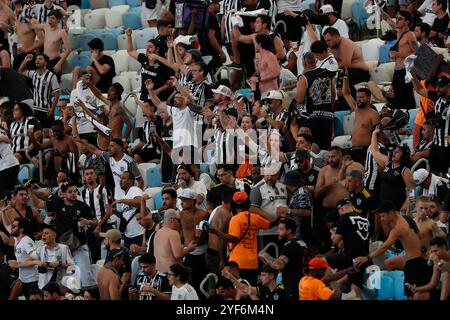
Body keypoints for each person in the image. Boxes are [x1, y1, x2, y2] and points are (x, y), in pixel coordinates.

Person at [355, 200, 433, 299]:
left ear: (391, 213)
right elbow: (419, 236)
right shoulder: (407, 218)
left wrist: (367, 258)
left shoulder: (398, 228)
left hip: (413, 263)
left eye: (383, 216)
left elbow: (384, 246)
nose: (382, 219)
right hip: (418, 259)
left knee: (410, 294)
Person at [327, 198, 370, 297]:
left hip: (349, 256)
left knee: (321, 262)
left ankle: (335, 290)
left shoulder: (344, 217)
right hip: (362, 259)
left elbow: (336, 240)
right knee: (355, 289)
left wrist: (332, 241)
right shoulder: (365, 219)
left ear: (341, 209)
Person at [75, 138, 143, 199]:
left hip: (129, 197)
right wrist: (81, 141)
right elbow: (95, 150)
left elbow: (140, 181)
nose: (109, 148)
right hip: (117, 197)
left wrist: (137, 196)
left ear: (119, 148)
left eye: (112, 146)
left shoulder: (129, 161)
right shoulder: (109, 158)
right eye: (109, 146)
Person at [258, 218, 309, 300]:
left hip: (293, 289)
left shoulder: (289, 246)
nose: (278, 231)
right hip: (303, 286)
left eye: (281, 229)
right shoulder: (301, 243)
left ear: (289, 231)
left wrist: (265, 255)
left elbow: (279, 265)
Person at [228, 191, 271, 285]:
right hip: (253, 263)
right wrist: (279, 216)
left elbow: (233, 238)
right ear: (248, 202)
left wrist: (216, 232)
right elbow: (269, 225)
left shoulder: (235, 219)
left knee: (240, 292)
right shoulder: (256, 218)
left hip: (237, 263)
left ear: (233, 204)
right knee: (251, 291)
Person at [295, 52, 335, 150]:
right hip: (328, 116)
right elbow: (333, 95)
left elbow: (299, 99)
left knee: (314, 148)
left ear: (304, 63)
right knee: (326, 148)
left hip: (313, 117)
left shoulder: (304, 77)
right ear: (316, 61)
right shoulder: (327, 73)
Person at [412, 75, 450, 175]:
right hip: (436, 144)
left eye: (441, 86)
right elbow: (419, 89)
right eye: (437, 86)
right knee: (432, 174)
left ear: (448, 86)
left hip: (447, 147)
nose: (437, 89)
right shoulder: (437, 97)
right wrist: (412, 74)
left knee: (446, 176)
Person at [370, 127, 414, 213]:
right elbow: (374, 150)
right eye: (394, 151)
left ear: (403, 155)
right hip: (383, 205)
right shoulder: (388, 163)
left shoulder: (405, 170)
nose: (394, 153)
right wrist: (374, 134)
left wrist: (407, 204)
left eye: (397, 152)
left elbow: (411, 190)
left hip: (396, 207)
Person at [126, 28, 174, 102]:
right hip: (145, 96)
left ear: (157, 49)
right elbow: (130, 51)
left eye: (150, 47)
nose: (147, 49)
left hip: (158, 97)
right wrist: (129, 36)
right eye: (147, 46)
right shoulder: (144, 58)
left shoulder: (162, 63)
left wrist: (158, 91)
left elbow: (170, 83)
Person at [342, 79, 380, 165]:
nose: (358, 99)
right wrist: (345, 77)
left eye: (361, 97)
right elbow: (346, 94)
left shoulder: (373, 115)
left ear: (369, 98)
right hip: (353, 149)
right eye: (357, 97)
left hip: (366, 150)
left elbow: (378, 134)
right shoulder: (356, 109)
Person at [323, 27, 369, 99]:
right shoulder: (332, 47)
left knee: (342, 73)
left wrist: (332, 67)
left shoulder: (346, 44)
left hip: (360, 72)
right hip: (346, 71)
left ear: (336, 37)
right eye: (326, 41)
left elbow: (346, 64)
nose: (327, 43)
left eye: (329, 40)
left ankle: (351, 100)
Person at [178, 189, 208, 291]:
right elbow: (179, 234)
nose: (181, 203)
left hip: (202, 251)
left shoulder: (204, 214)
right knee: (190, 282)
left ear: (192, 201)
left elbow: (208, 234)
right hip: (189, 252)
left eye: (184, 200)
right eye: (181, 200)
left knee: (202, 282)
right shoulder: (180, 215)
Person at [18, 53, 60, 128]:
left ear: (46, 62)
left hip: (46, 110)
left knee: (47, 134)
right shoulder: (33, 73)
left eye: (40, 59)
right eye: (36, 59)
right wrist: (25, 60)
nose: (37, 61)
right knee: (35, 133)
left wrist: (52, 109)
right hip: (35, 109)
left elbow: (57, 93)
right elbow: (20, 71)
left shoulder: (51, 76)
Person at [80, 167, 113, 263]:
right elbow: (83, 212)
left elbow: (109, 211)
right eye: (86, 174)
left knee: (108, 251)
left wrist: (99, 225)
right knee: (94, 256)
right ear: (84, 177)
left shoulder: (104, 189)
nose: (89, 176)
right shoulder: (83, 192)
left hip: (105, 224)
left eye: (91, 173)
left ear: (95, 176)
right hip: (91, 226)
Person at [29, 9, 71, 77]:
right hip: (45, 62)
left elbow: (68, 49)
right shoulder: (46, 27)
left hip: (55, 62)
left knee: (54, 85)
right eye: (49, 18)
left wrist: (59, 63)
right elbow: (32, 26)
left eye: (53, 18)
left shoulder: (61, 32)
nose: (50, 20)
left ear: (58, 20)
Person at [153, 209, 196, 273]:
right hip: (171, 273)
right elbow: (178, 255)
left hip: (159, 272)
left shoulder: (157, 233)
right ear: (172, 220)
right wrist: (189, 249)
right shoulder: (173, 233)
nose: (179, 224)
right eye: (178, 220)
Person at [32, 224, 74, 289]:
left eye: (46, 233)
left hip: (59, 286)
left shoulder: (64, 248)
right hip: (43, 286)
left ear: (54, 235)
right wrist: (38, 263)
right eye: (42, 233)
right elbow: (29, 260)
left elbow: (73, 269)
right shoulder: (40, 249)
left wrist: (60, 264)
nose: (43, 235)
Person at [390, 10, 417, 110]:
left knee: (407, 100)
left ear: (407, 22)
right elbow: (387, 19)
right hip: (397, 70)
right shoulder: (399, 33)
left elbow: (417, 54)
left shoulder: (410, 35)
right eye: (396, 18)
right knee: (398, 100)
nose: (397, 21)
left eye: (400, 19)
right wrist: (378, 6)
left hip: (405, 70)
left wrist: (399, 54)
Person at [7, 217, 38, 299]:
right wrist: (3, 212)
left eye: (14, 226)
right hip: (23, 279)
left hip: (32, 280)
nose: (11, 228)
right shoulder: (17, 240)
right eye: (12, 226)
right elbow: (7, 225)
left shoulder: (26, 240)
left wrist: (18, 264)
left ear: (21, 229)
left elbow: (36, 257)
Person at [206, 189, 234, 274]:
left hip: (210, 251)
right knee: (219, 284)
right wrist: (222, 259)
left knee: (212, 280)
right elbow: (221, 238)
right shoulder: (227, 215)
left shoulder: (218, 209)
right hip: (217, 254)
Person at [99, 229, 131, 296]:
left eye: (105, 239)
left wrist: (118, 293)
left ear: (110, 240)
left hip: (119, 292)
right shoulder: (112, 252)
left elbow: (127, 275)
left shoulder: (121, 254)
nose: (104, 241)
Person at [346, 169, 377, 236]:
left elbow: (376, 216)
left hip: (365, 230)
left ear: (357, 183)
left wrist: (375, 234)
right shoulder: (351, 191)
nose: (347, 184)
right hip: (355, 226)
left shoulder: (368, 197)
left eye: (349, 181)